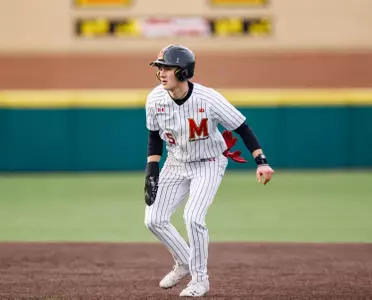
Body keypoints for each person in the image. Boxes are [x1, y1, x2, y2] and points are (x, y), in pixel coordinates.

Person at [144, 44, 274, 297]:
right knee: (153, 219)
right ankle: (184, 261)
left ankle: (200, 280)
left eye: (168, 67)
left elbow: (242, 127)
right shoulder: (155, 99)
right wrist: (152, 169)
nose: (162, 72)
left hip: (209, 163)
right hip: (176, 163)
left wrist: (262, 161)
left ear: (184, 71)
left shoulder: (208, 98)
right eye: (160, 67)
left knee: (193, 217)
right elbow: (154, 137)